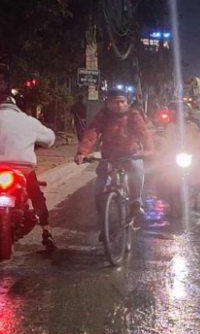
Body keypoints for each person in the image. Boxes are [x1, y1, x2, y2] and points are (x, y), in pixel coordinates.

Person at [75, 90, 153, 227]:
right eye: (115, 102)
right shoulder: (103, 116)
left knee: (137, 170)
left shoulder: (133, 115)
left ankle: (136, 201)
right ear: (108, 103)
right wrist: (82, 152)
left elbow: (144, 133)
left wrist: (149, 150)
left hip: (131, 154)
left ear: (127, 103)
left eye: (123, 102)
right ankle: (103, 224)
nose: (119, 105)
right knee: (99, 191)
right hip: (109, 157)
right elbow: (92, 133)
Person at [0, 94, 57, 250]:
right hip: (23, 168)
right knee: (36, 195)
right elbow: (50, 139)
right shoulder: (28, 120)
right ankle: (46, 232)